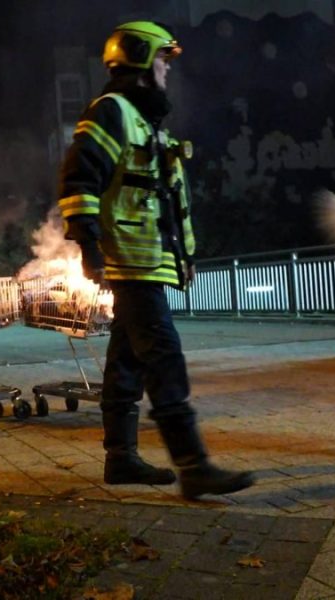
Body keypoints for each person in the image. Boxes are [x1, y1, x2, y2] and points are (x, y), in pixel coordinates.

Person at [57, 21, 254, 499]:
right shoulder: (113, 111)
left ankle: (121, 459)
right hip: (129, 263)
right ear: (143, 59)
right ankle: (193, 465)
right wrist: (89, 246)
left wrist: (184, 257)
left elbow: (165, 201)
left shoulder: (145, 122)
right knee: (164, 358)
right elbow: (78, 180)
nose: (168, 69)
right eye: (164, 59)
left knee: (126, 361)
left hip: (145, 263)